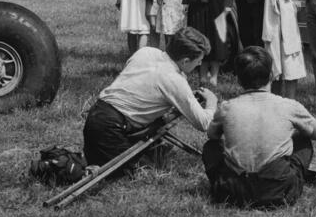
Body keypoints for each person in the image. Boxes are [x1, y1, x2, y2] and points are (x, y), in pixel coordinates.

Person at [203, 46, 316, 208]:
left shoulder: (227, 107)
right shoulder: (289, 106)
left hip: (233, 191)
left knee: (211, 147)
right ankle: (287, 183)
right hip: (278, 191)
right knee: (303, 139)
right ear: (271, 75)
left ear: (238, 80)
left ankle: (222, 185)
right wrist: (295, 130)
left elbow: (212, 136)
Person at [83, 27, 218, 174]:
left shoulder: (146, 52)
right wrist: (212, 102)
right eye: (198, 61)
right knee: (138, 171)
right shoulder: (174, 79)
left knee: (138, 159)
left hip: (96, 114)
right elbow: (204, 123)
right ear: (185, 61)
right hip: (112, 128)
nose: (199, 64)